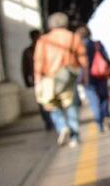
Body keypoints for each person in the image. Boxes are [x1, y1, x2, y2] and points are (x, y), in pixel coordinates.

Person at [33, 12, 86, 147]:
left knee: (52, 105)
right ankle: (75, 137)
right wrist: (85, 75)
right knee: (71, 106)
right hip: (69, 76)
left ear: (50, 25)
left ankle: (62, 127)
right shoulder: (74, 37)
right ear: (66, 23)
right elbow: (83, 59)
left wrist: (37, 80)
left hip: (49, 78)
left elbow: (38, 61)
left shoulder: (43, 40)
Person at [80, 26, 110, 132]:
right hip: (100, 76)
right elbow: (106, 59)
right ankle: (105, 116)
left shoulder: (79, 47)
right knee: (104, 97)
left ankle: (99, 124)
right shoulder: (97, 44)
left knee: (93, 101)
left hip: (87, 78)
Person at [21, 29, 53, 131]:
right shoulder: (44, 49)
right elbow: (25, 67)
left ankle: (50, 121)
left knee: (44, 101)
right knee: (44, 101)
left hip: (41, 79)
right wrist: (27, 80)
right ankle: (49, 121)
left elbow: (24, 68)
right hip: (43, 79)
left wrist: (27, 81)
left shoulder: (29, 51)